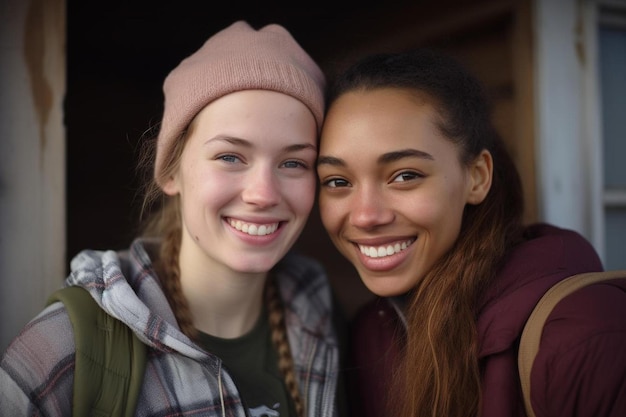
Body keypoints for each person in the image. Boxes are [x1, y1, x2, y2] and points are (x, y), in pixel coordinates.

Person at [1, 20, 346, 416]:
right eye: (230, 157)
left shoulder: (320, 313)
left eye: (293, 162)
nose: (263, 193)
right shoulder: (67, 345)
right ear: (170, 171)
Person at [316, 48, 626, 417]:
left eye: (405, 176)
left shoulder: (587, 334)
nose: (366, 216)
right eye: (337, 181)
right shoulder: (370, 335)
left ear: (477, 177)